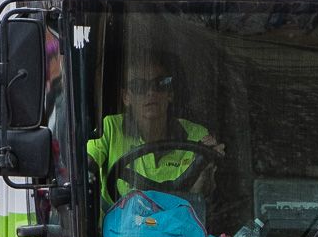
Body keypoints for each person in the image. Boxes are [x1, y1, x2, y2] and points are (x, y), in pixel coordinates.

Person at [86, 51, 223, 207]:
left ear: (170, 93)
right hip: (121, 222)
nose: (150, 92)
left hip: (177, 221)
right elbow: (83, 168)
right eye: (139, 86)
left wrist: (205, 171)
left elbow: (199, 199)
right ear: (126, 97)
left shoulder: (197, 136)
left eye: (160, 84)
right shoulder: (109, 128)